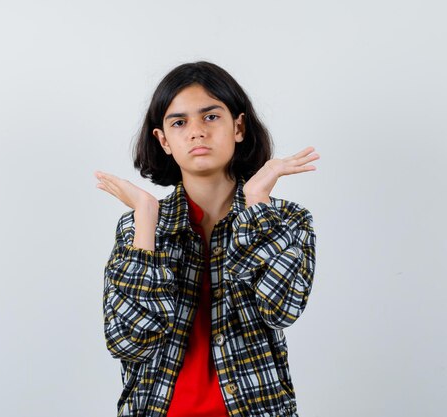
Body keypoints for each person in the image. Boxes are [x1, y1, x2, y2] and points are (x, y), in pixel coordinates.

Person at [94, 61, 319, 417]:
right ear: (163, 140)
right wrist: (146, 216)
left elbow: (281, 309)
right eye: (179, 122)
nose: (196, 132)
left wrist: (257, 204)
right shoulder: (138, 226)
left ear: (238, 126)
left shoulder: (288, 220)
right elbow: (129, 342)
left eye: (210, 117)